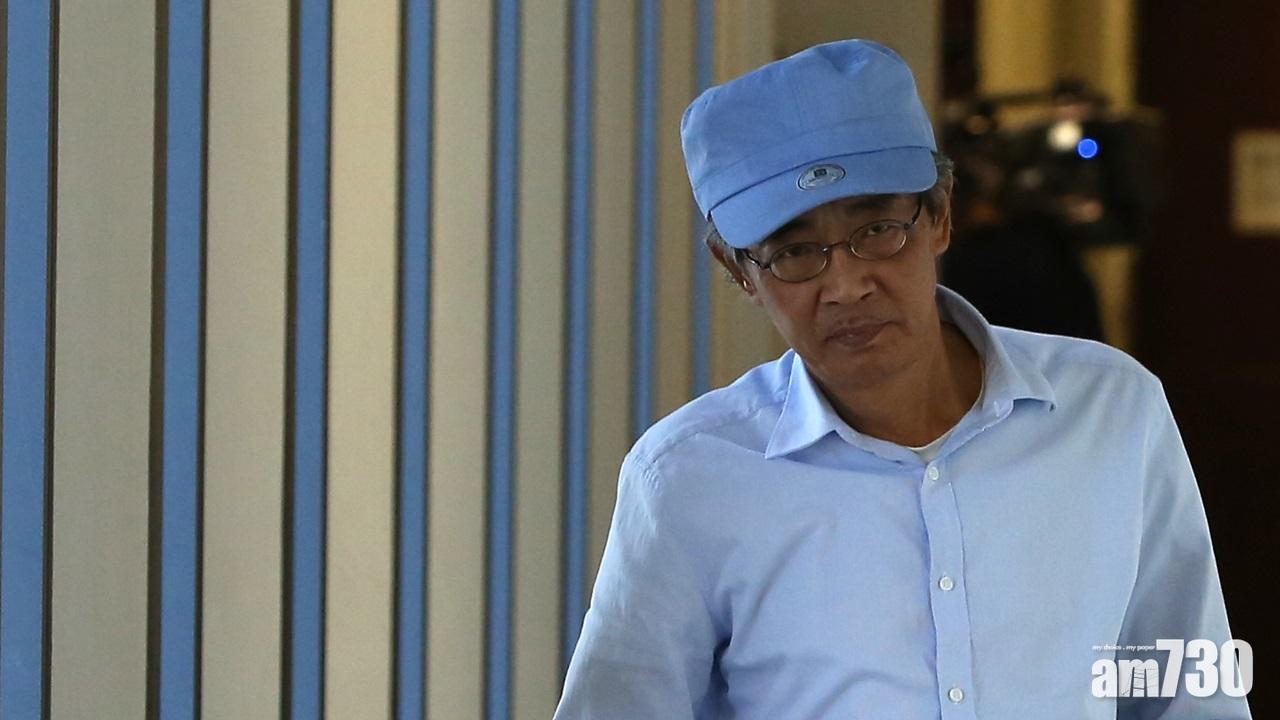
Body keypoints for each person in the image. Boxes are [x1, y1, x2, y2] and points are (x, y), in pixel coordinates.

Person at [553, 39, 1251, 719]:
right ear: (738, 270)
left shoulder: (1110, 410)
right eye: (795, 251)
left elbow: (1191, 688)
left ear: (940, 214)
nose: (846, 286)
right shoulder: (691, 477)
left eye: (878, 231)